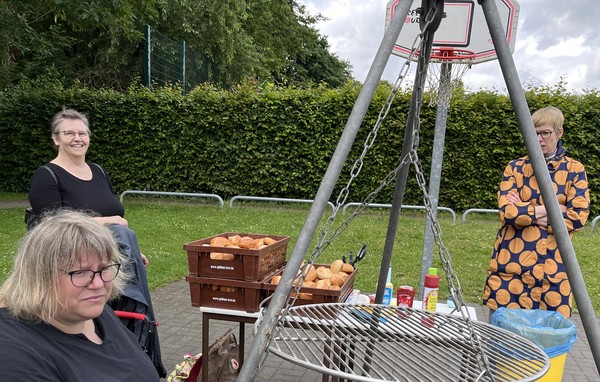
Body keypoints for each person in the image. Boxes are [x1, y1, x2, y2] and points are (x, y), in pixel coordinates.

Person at [27, 108, 166, 376]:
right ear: (56, 138)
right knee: (92, 324)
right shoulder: (47, 175)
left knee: (118, 321)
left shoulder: (98, 171)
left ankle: (129, 363)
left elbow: (117, 225)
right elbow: (51, 227)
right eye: (69, 133)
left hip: (108, 265)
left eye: (82, 133)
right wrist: (105, 221)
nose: (77, 138)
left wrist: (132, 251)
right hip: (71, 271)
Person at [0, 210, 161, 381]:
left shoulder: (92, 312)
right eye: (80, 272)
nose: (98, 284)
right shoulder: (16, 357)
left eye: (104, 268)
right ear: (40, 276)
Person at [483, 106, 590, 319]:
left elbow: (577, 217)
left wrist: (526, 210)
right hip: (511, 272)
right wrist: (552, 210)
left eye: (545, 132)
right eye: (534, 133)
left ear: (559, 132)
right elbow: (508, 213)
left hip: (553, 274)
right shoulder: (515, 168)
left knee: (546, 347)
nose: (539, 138)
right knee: (502, 343)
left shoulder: (574, 170)